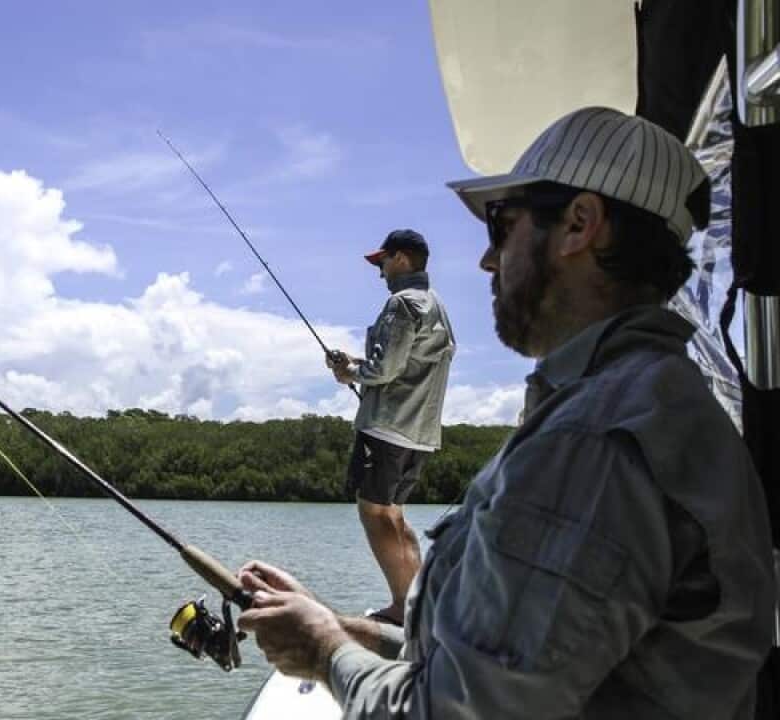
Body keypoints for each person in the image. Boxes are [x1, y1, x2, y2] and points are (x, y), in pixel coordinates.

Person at [238, 107, 775, 717]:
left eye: (501, 226)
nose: (487, 261)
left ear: (579, 224)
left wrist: (323, 648)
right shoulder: (649, 401)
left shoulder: (592, 444)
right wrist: (347, 630)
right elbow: (521, 665)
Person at [326, 228, 455, 626]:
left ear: (401, 259)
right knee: (394, 515)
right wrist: (356, 365)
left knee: (374, 512)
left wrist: (349, 372)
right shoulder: (436, 306)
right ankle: (419, 605)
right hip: (420, 434)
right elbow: (407, 364)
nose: (380, 271)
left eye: (382, 261)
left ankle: (402, 608)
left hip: (387, 430)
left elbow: (385, 368)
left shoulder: (402, 304)